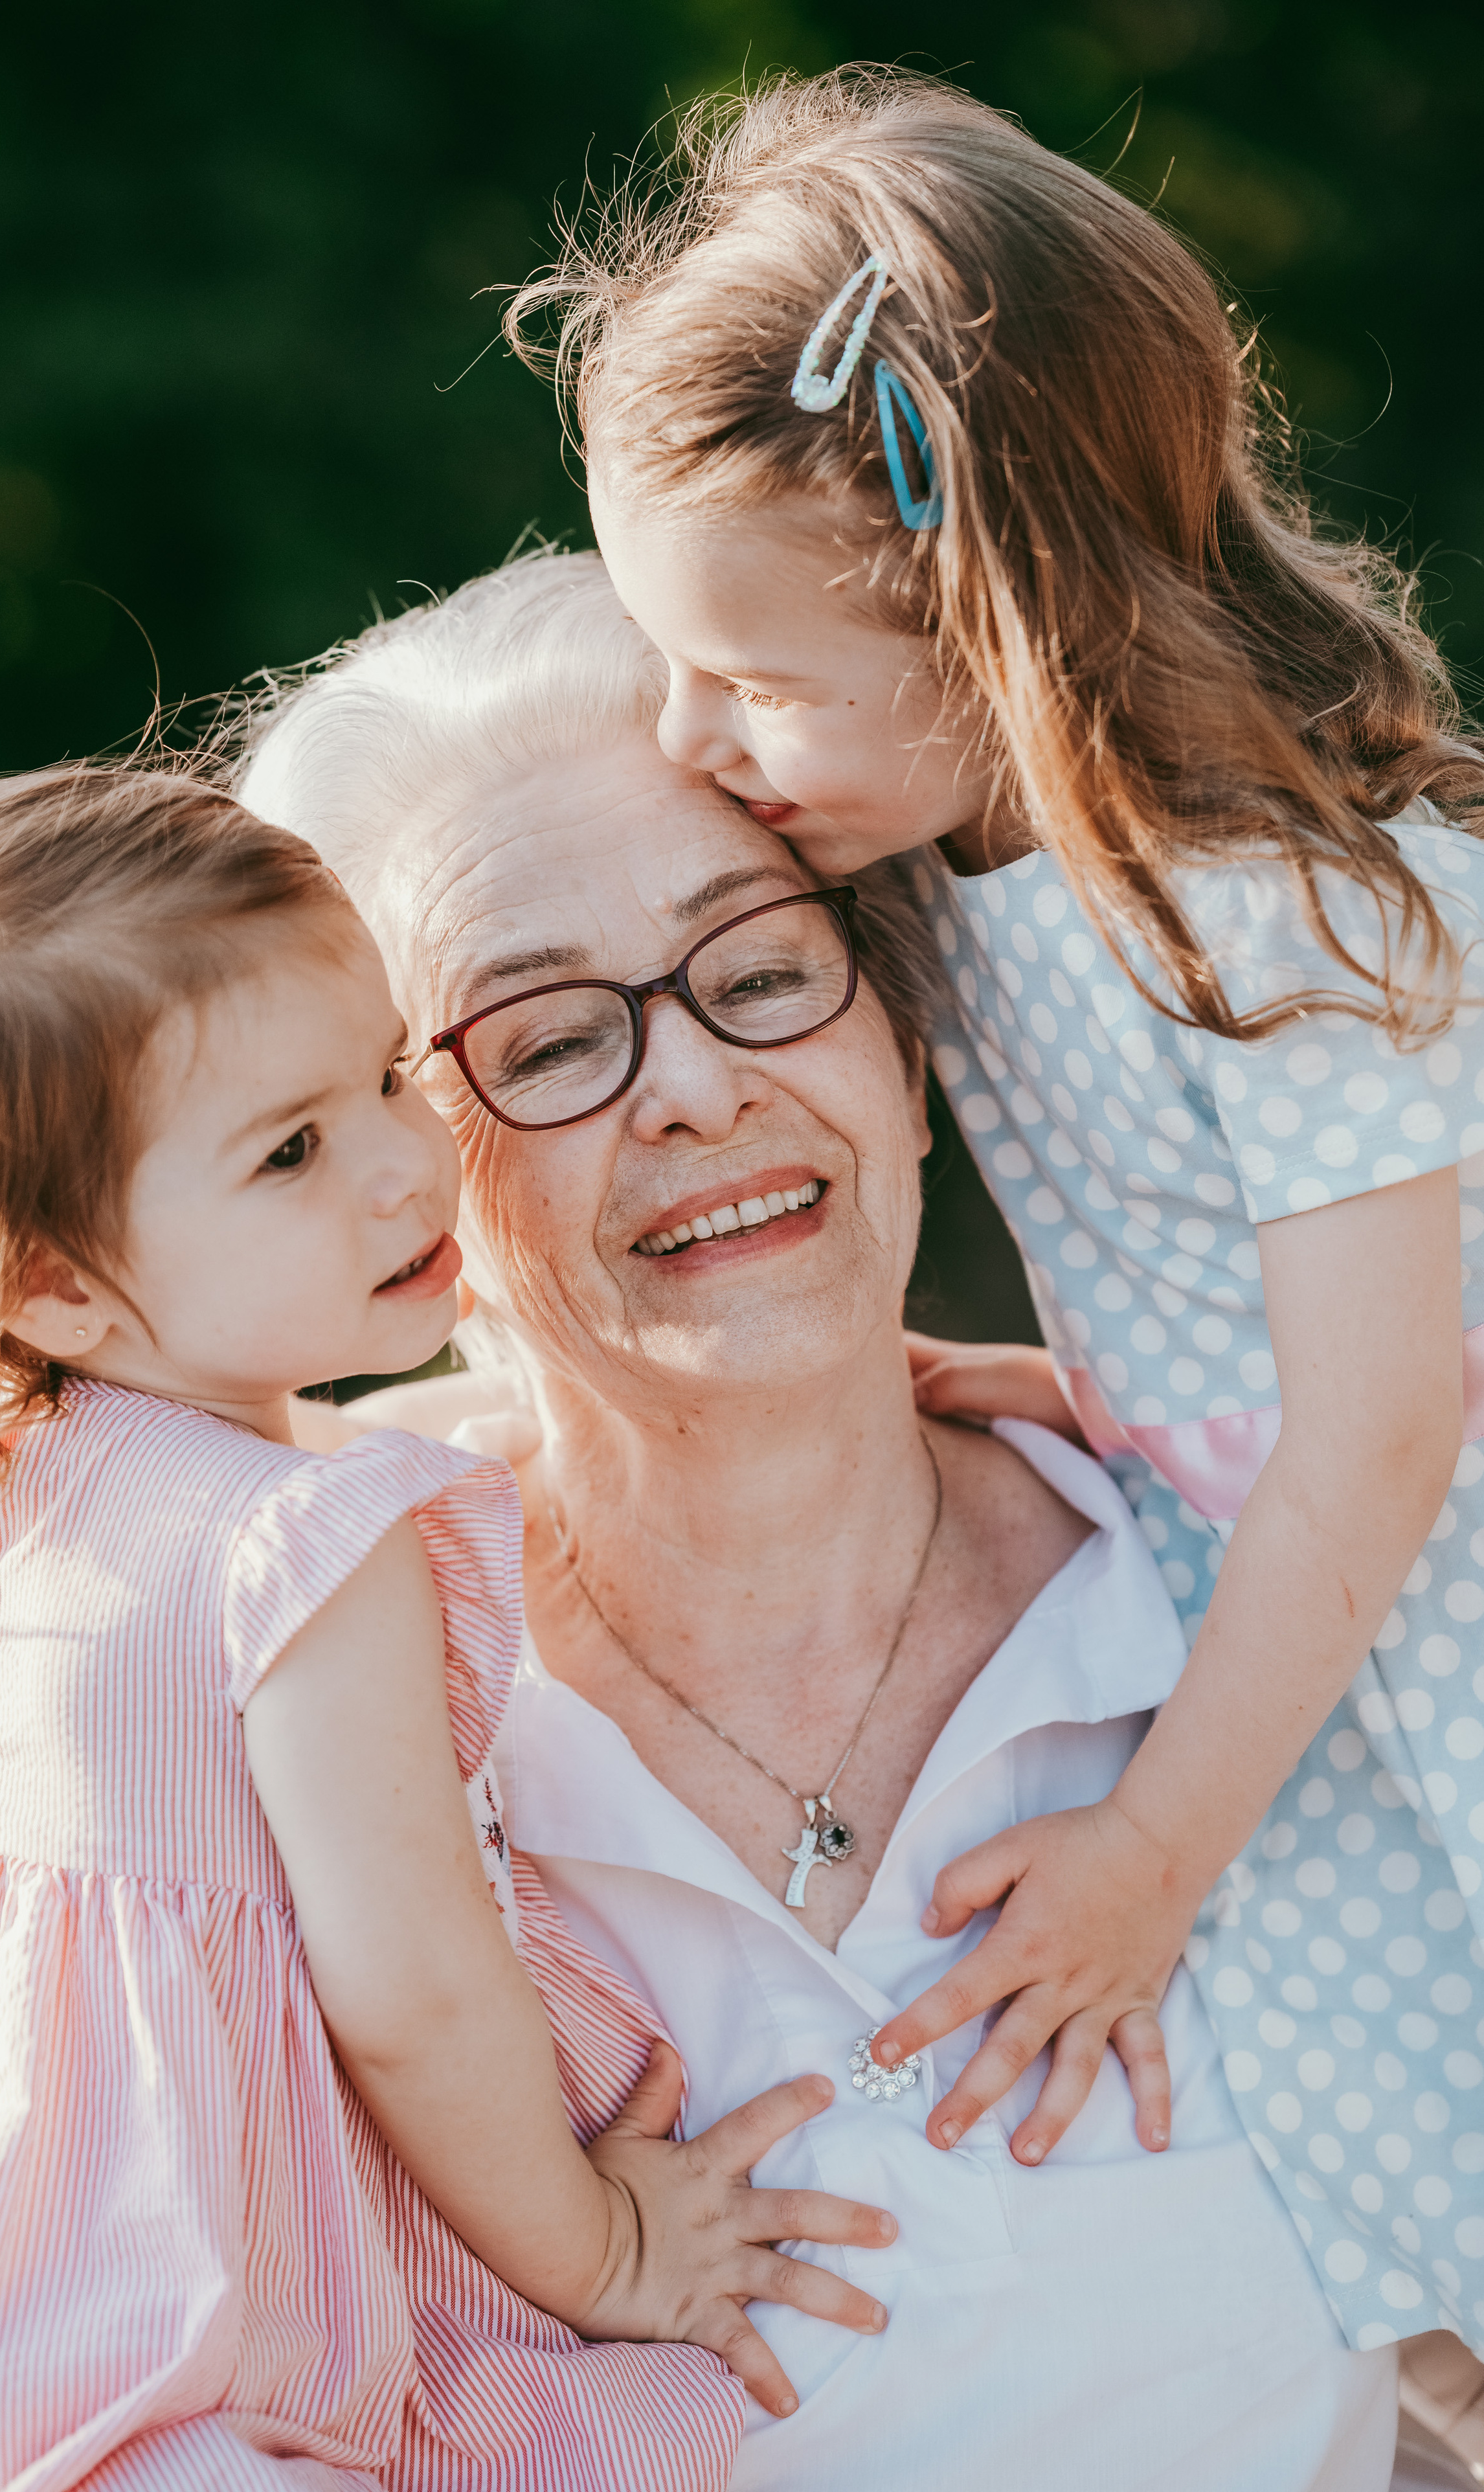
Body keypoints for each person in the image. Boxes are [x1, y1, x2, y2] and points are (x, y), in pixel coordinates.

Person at [238, 546, 1399, 2489]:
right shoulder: (289, 1725)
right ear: (390, 1193)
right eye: (544, 1043)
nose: (694, 1085)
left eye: (766, 970)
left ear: (910, 1043)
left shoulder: (1294, 1604)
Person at [512, 65, 1484, 2357]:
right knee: (1392, 2235)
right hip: (1296, 1626)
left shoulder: (1287, 918)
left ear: (1001, 622)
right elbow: (1235, 1364)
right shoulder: (954, 861)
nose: (687, 731)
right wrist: (1039, 1385)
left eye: (747, 677)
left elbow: (1384, 1418)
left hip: (1403, 1617)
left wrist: (1155, 1855)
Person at [0, 765, 895, 2489]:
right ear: (52, 1283)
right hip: (190, 2287)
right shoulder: (312, 1564)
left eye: (390, 1070)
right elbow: (414, 1994)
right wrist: (601, 2253)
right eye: (293, 1150)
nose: (410, 1161)